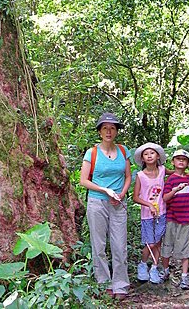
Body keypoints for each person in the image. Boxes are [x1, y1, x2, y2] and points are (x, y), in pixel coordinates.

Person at [80, 112, 131, 300]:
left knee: (119, 245)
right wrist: (105, 190)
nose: (109, 131)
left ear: (116, 131)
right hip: (97, 202)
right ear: (100, 131)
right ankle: (104, 284)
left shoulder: (123, 151)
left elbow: (127, 176)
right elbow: (83, 181)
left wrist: (122, 194)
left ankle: (121, 285)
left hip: (118, 203)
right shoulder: (92, 153)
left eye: (112, 128)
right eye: (105, 128)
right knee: (99, 245)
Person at [133, 142, 172, 284]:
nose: (149, 156)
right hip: (147, 215)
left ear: (157, 156)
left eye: (152, 153)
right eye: (146, 154)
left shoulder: (162, 170)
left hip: (162, 212)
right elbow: (135, 197)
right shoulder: (140, 175)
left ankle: (154, 268)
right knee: (150, 243)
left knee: (158, 242)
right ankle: (143, 265)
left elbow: (177, 173)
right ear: (142, 159)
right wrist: (149, 204)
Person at [161, 149, 189, 289]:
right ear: (173, 162)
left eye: (184, 159)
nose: (181, 161)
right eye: (178, 159)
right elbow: (165, 198)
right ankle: (165, 272)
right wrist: (175, 190)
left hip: (186, 219)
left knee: (184, 247)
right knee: (167, 245)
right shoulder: (171, 179)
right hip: (172, 218)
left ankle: (184, 277)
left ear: (188, 163)